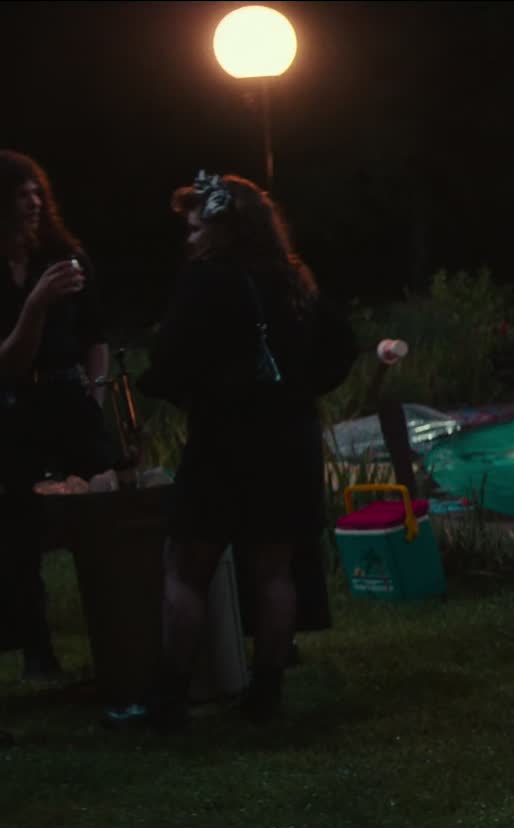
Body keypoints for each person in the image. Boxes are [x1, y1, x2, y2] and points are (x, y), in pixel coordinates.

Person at [105, 172, 359, 731]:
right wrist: (299, 388)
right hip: (289, 438)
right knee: (274, 570)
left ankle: (168, 698)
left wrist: (169, 388)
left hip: (226, 439)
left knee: (186, 566)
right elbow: (342, 344)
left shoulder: (206, 280)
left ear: (225, 228)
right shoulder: (292, 278)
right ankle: (265, 695)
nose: (190, 238)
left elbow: (170, 359)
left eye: (197, 227)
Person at [0, 151, 104, 682]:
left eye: (38, 192)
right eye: (22, 194)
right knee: (19, 535)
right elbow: (10, 363)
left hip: (71, 401)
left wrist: (97, 393)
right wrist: (35, 304)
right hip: (15, 408)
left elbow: (95, 335)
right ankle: (38, 652)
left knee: (103, 518)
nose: (34, 202)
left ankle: (118, 636)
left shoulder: (65, 258)